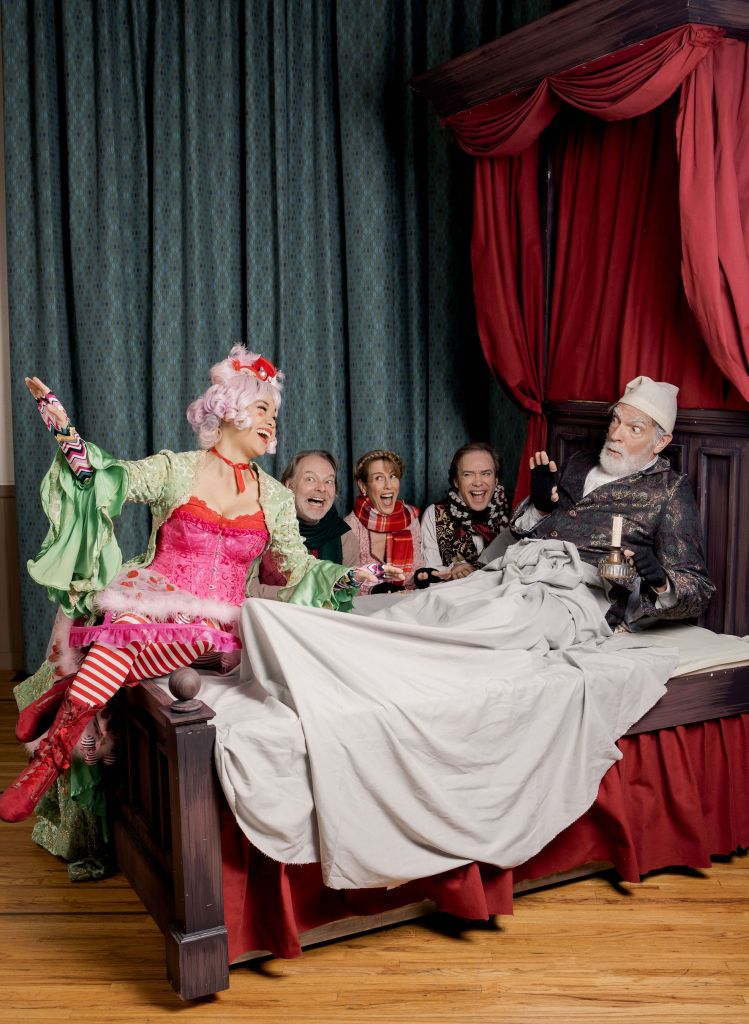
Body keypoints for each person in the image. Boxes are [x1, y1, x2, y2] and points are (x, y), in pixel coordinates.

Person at [0, 347, 396, 823]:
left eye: (274, 413)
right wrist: (64, 431)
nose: (272, 422)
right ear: (230, 409)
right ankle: (50, 760)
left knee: (160, 635)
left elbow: (298, 568)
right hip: (153, 597)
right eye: (262, 408)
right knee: (130, 625)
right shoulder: (178, 469)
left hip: (218, 627)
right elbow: (111, 480)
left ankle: (65, 692)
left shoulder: (274, 495)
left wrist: (352, 575)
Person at [510, 375, 714, 629]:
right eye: (615, 420)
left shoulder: (669, 490)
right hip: (524, 572)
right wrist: (539, 508)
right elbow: (519, 532)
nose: (616, 434)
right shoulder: (579, 462)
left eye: (634, 429)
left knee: (501, 622)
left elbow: (698, 590)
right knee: (464, 601)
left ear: (660, 442)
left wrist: (662, 581)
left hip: (583, 597)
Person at [253, 449, 359, 599]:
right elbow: (247, 589)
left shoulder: (345, 539)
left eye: (329, 481)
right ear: (289, 485)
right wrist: (297, 596)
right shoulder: (260, 530)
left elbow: (347, 597)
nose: (321, 488)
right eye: (310, 479)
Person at [421, 442, 510, 580]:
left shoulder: (514, 513)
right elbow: (428, 571)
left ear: (496, 479)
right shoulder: (434, 514)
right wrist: (451, 571)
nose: (478, 482)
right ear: (456, 481)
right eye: (468, 474)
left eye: (486, 473)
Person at [345, 449, 424, 593]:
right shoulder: (351, 526)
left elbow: (417, 567)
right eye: (379, 478)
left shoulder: (410, 518)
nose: (389, 485)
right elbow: (347, 580)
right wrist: (375, 589)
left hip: (408, 598)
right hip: (368, 604)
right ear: (363, 486)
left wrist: (424, 575)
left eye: (393, 476)